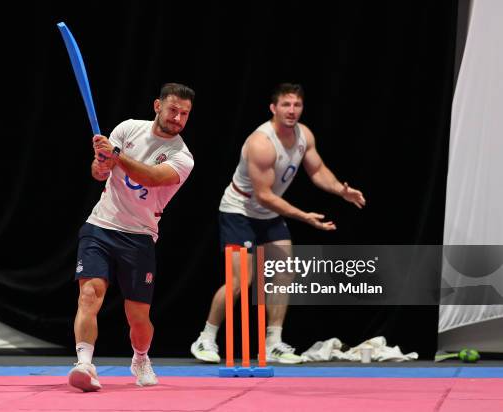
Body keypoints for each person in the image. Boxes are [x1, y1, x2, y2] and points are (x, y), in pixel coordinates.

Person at [190, 83, 365, 364]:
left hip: (268, 215)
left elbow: (318, 170)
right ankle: (206, 337)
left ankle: (273, 342)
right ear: (274, 108)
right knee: (240, 281)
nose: (291, 111)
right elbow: (264, 195)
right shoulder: (261, 143)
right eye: (286, 105)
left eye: (296, 105)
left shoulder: (303, 135)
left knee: (283, 274)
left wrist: (340, 190)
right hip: (240, 211)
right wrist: (304, 216)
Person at [69, 83, 195, 391]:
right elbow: (100, 173)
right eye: (173, 110)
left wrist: (113, 155)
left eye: (184, 114)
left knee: (138, 316)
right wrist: (101, 161)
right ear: (157, 106)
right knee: (89, 295)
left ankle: (141, 358)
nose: (178, 118)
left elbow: (149, 178)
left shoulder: (183, 157)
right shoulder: (128, 129)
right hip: (101, 224)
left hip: (139, 236)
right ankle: (84, 363)